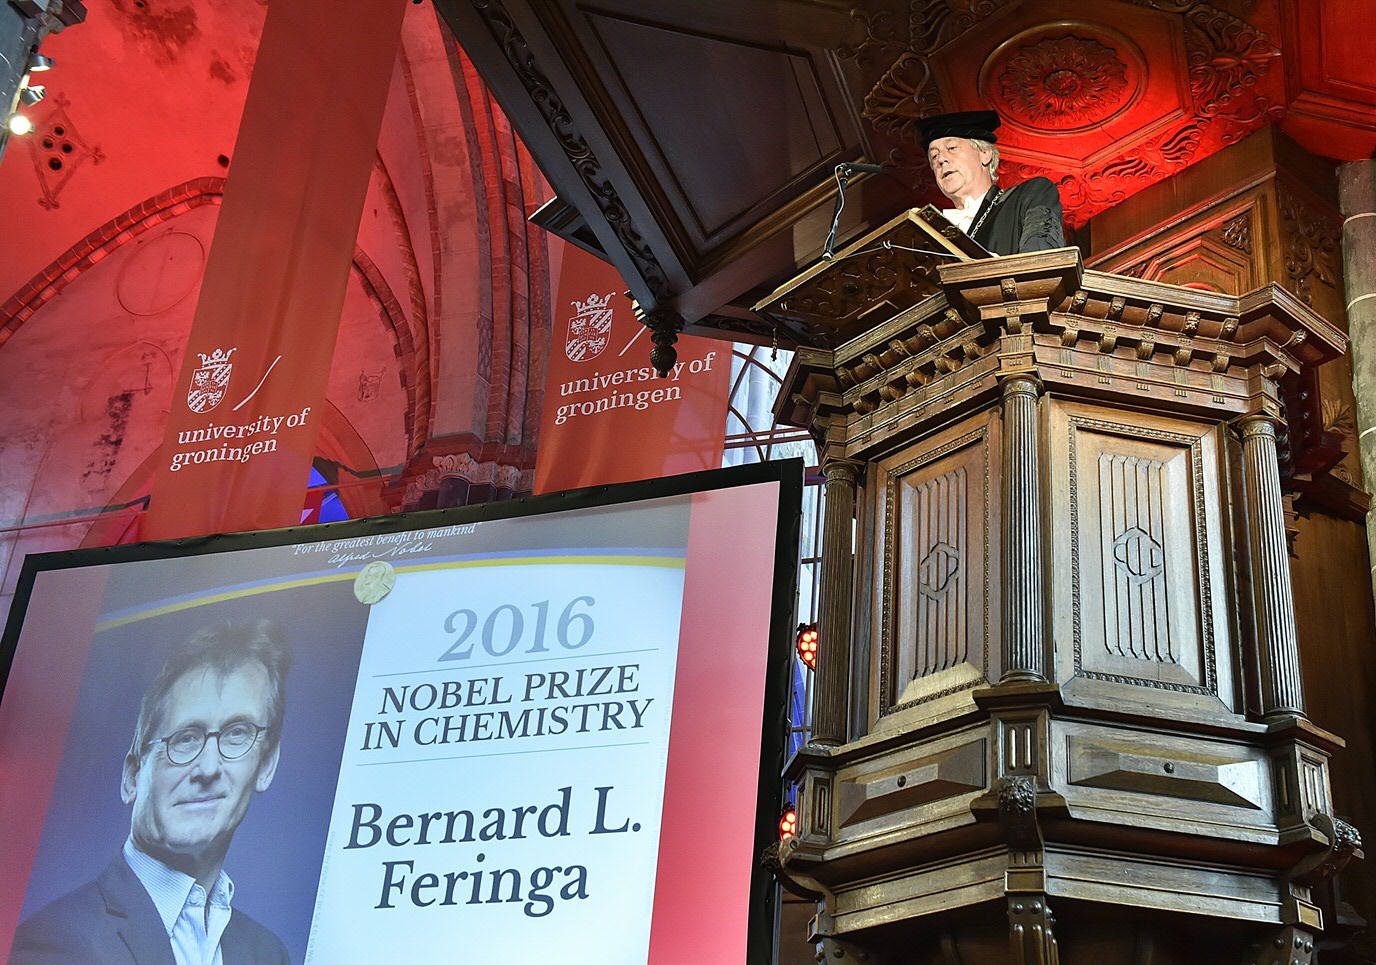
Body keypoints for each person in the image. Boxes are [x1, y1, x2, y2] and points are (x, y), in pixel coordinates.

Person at [10, 622, 293, 965]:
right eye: (185, 738)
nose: (207, 769)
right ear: (132, 777)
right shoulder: (55, 942)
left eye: (237, 733)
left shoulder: (267, 953)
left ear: (266, 766)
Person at [918, 110, 1065, 256]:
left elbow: (1042, 260)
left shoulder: (1030, 195)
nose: (941, 159)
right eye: (934, 156)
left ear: (985, 154)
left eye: (952, 148)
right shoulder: (931, 234)